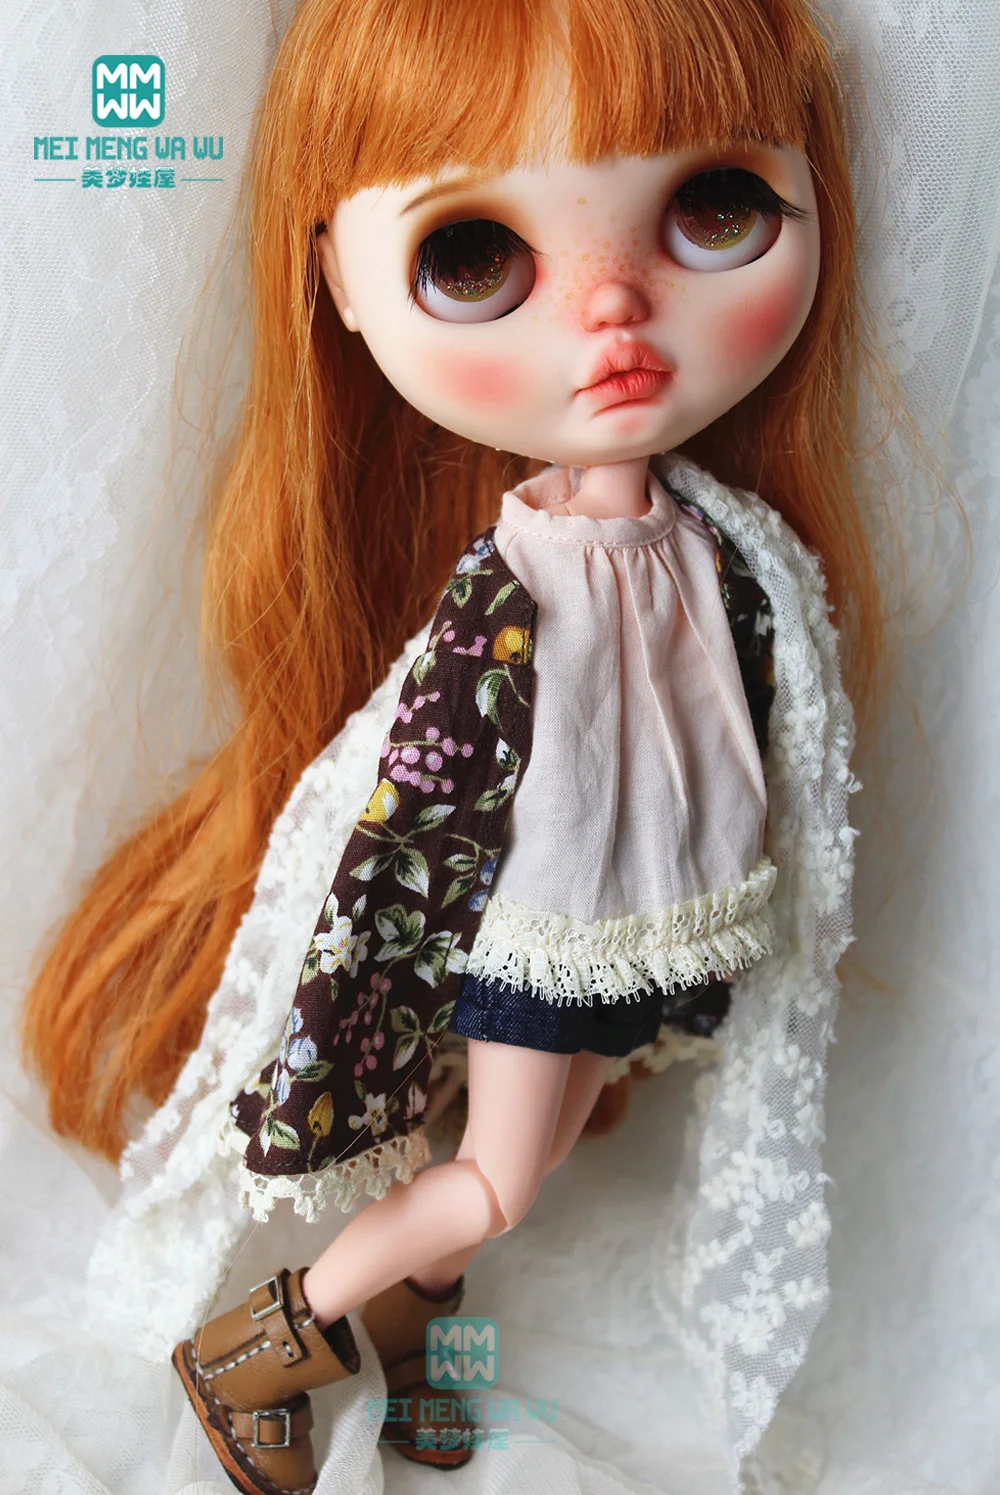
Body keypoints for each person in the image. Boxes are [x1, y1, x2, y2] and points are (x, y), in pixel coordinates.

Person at [22, 2, 886, 1491]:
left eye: (714, 206)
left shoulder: (718, 543)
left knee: (515, 1163)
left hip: (639, 919)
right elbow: (423, 785)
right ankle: (261, 1345)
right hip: (542, 923)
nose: (614, 313)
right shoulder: (519, 584)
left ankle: (420, 1342)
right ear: (343, 291)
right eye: (474, 256)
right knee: (491, 1180)